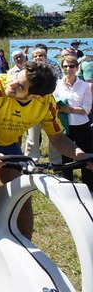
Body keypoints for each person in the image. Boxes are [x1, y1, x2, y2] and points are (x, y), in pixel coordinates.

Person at [0, 61, 93, 254]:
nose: (12, 83)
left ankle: (25, 251)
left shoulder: (46, 103)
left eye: (20, 86)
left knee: (23, 196)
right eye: (18, 75)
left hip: (6, 144)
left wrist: (82, 156)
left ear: (35, 96)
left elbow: (58, 138)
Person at [54, 55, 93, 191]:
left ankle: (88, 185)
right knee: (66, 155)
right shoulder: (58, 84)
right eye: (65, 66)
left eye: (71, 66)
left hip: (81, 125)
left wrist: (69, 109)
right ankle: (68, 184)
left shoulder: (84, 86)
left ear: (76, 68)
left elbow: (87, 109)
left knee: (85, 155)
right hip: (65, 125)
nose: (68, 69)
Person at [24, 48, 61, 165]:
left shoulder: (53, 71)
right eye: (35, 56)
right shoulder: (28, 73)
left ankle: (56, 163)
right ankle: (31, 162)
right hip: (32, 109)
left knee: (54, 136)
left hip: (49, 107)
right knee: (32, 137)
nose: (38, 58)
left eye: (40, 55)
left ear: (45, 57)